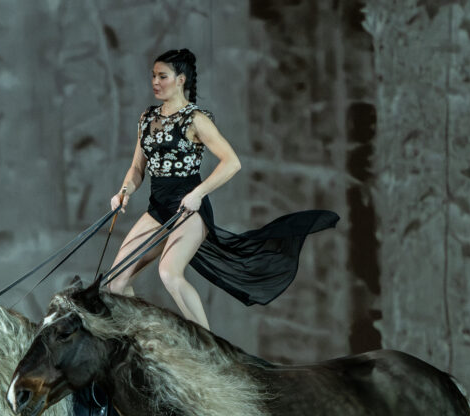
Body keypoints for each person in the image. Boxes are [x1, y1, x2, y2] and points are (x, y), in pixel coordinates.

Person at [105, 48, 339, 329]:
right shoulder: (147, 118)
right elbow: (137, 168)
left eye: (162, 76)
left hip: (189, 210)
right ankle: (140, 341)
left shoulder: (195, 119)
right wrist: (124, 191)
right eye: (153, 76)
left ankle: (208, 348)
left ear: (181, 79)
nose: (155, 81)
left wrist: (198, 194)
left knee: (169, 273)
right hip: (158, 208)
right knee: (115, 282)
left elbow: (232, 163)